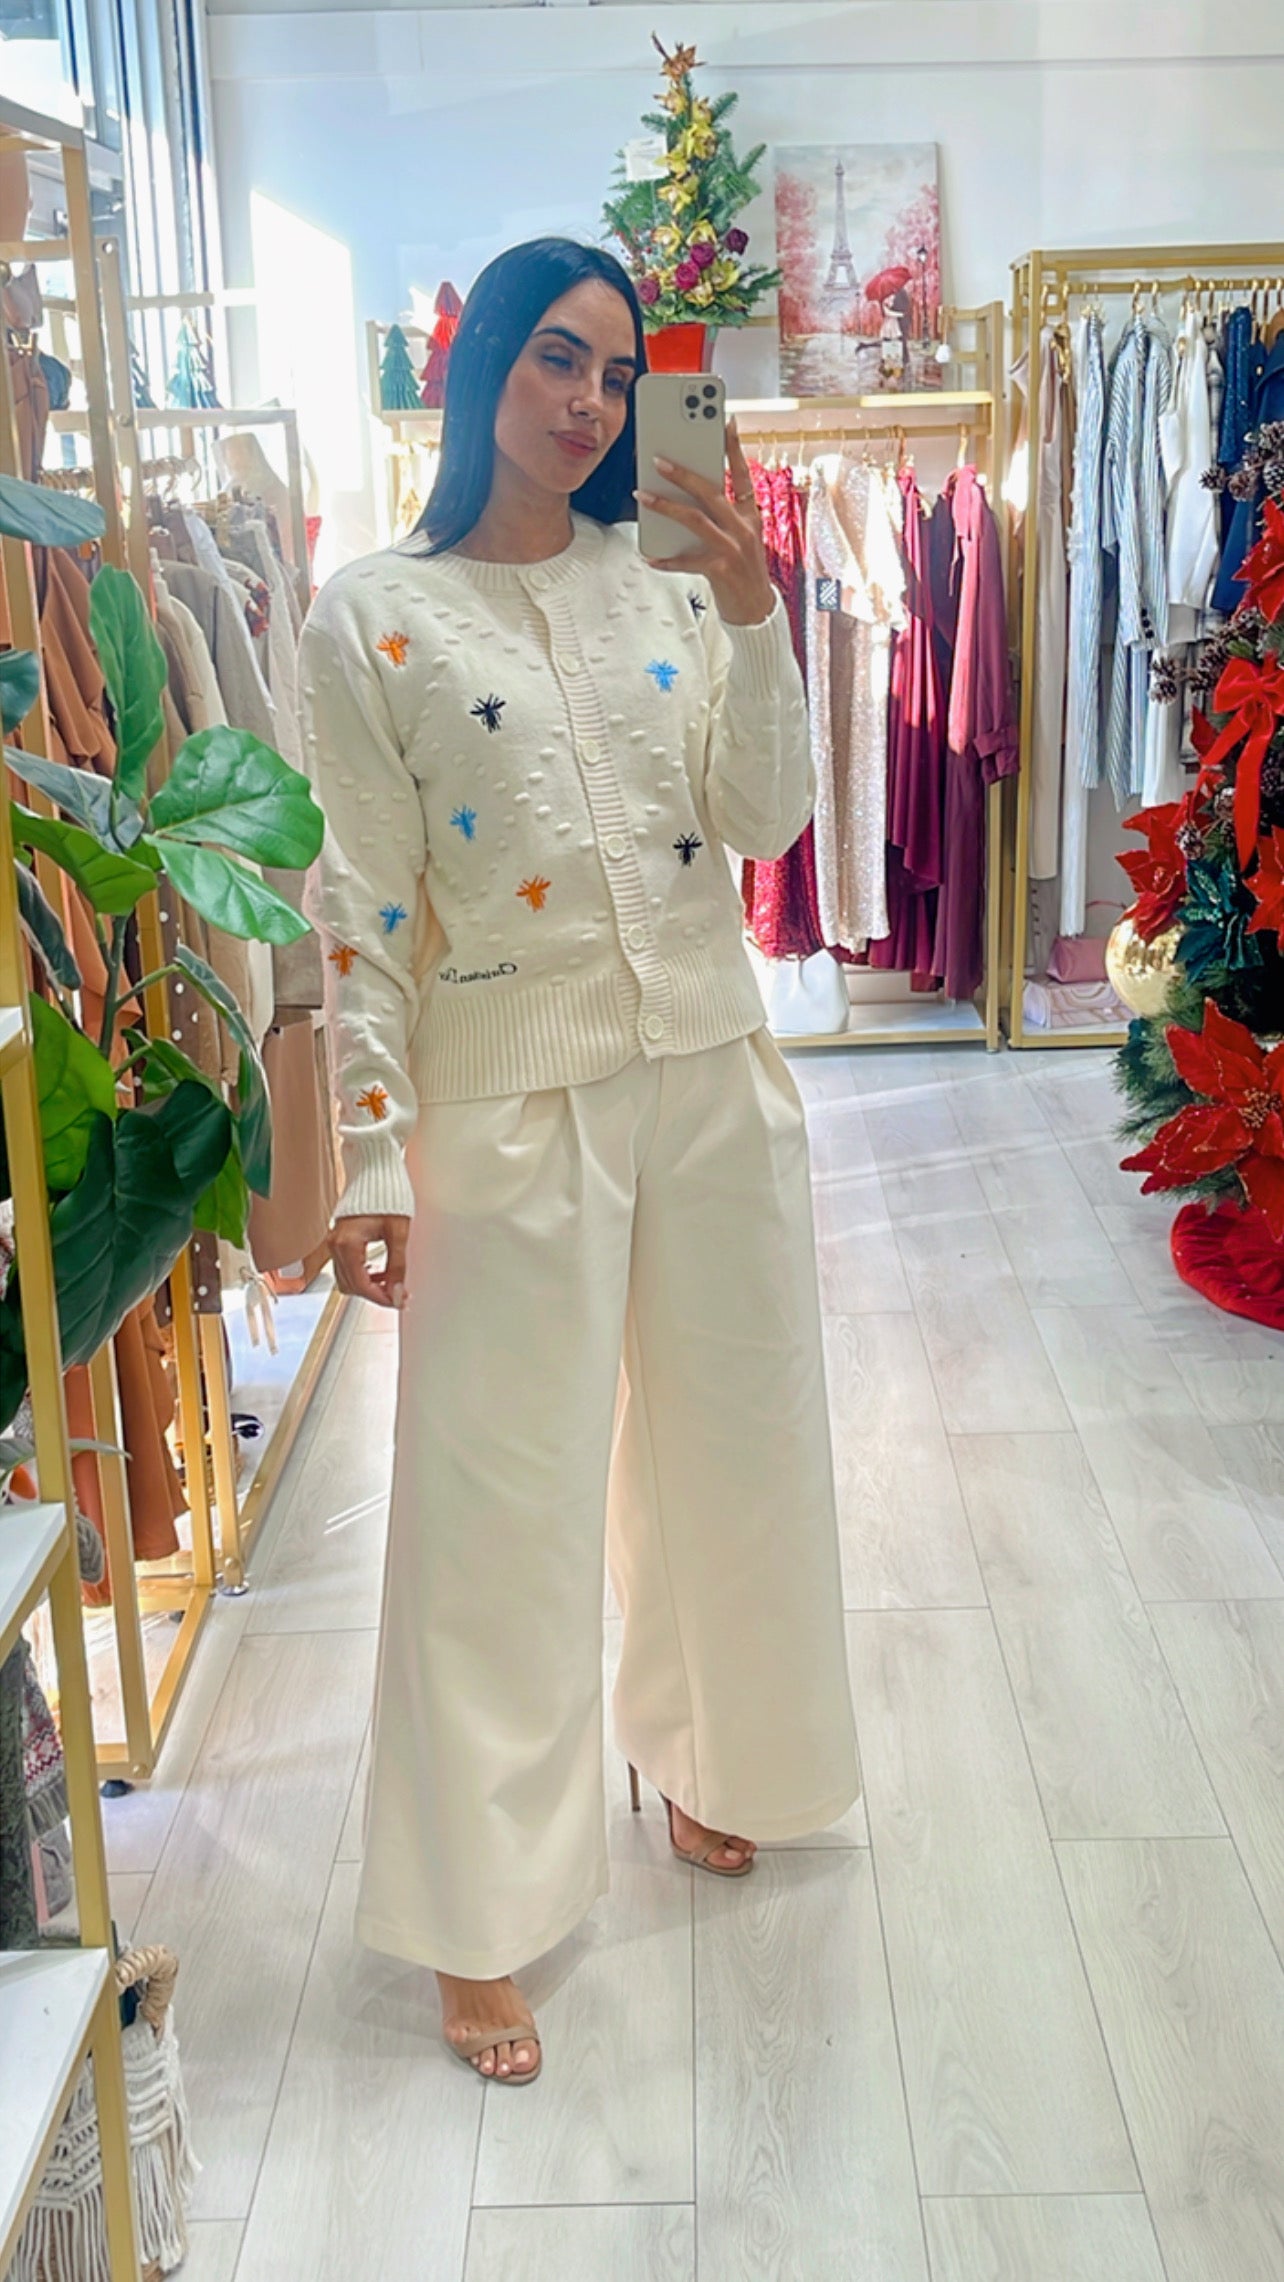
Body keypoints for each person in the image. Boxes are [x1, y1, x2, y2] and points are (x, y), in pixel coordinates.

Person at [299, 237, 861, 2087]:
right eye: (556, 358)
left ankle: (716, 1753)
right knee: (496, 1509)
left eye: (619, 375)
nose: (592, 403)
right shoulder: (372, 612)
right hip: (502, 1102)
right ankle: (478, 1912)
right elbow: (363, 905)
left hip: (708, 1069)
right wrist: (372, 1153)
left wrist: (759, 615)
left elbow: (765, 815)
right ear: (479, 367)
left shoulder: (676, 579)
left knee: (736, 1454)